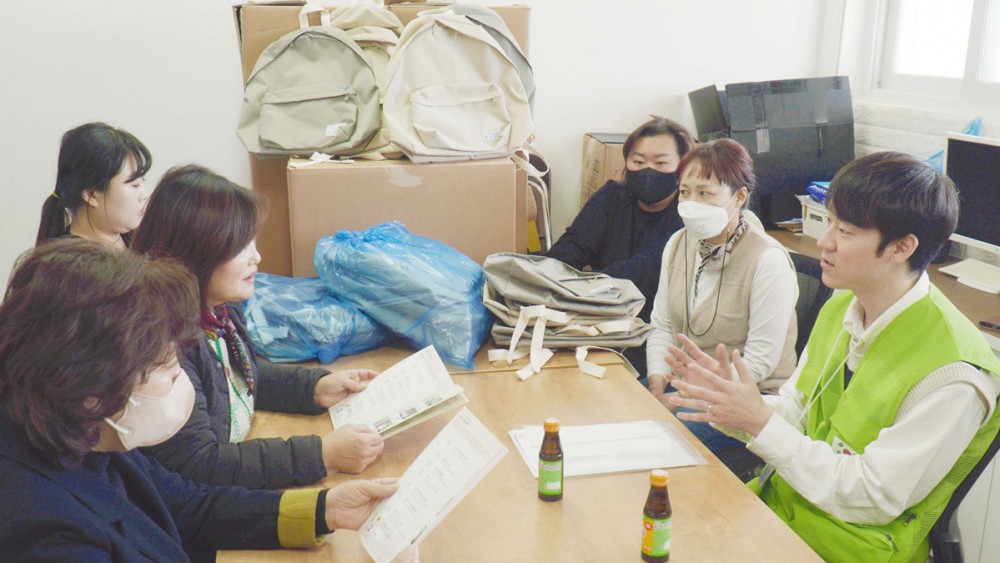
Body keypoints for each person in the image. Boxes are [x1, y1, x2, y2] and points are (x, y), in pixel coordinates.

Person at [666, 152, 1000, 562]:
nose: (824, 241)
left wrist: (759, 422)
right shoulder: (845, 304)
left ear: (901, 247)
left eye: (845, 231)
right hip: (783, 510)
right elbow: (799, 410)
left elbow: (871, 496)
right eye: (829, 222)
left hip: (847, 548)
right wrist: (731, 403)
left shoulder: (954, 373)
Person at [0, 239, 401, 562]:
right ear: (91, 391)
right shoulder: (41, 531)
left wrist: (325, 509)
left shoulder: (89, 433)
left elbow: (190, 507)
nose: (181, 379)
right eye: (167, 370)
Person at [132, 165, 385, 489]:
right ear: (196, 251)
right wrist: (320, 455)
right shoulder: (166, 345)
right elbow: (200, 464)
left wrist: (315, 387)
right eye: (241, 247)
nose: (257, 257)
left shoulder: (217, 309)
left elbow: (238, 377)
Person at [645, 138, 798, 474]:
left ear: (739, 197)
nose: (691, 203)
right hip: (682, 386)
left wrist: (684, 398)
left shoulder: (768, 260)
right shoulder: (679, 243)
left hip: (745, 402)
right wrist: (656, 384)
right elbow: (662, 326)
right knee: (620, 410)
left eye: (705, 193)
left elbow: (759, 363)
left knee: (654, 446)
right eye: (685, 192)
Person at [546, 117, 694, 375]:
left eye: (661, 163)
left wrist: (578, 286)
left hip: (653, 332)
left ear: (682, 169)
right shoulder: (612, 196)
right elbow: (569, 249)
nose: (648, 171)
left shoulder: (688, 214)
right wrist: (546, 279)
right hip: (598, 316)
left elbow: (645, 271)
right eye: (638, 162)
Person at [36, 122, 152, 247]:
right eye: (135, 184)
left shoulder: (139, 241)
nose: (144, 195)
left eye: (143, 181)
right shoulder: (71, 258)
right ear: (91, 194)